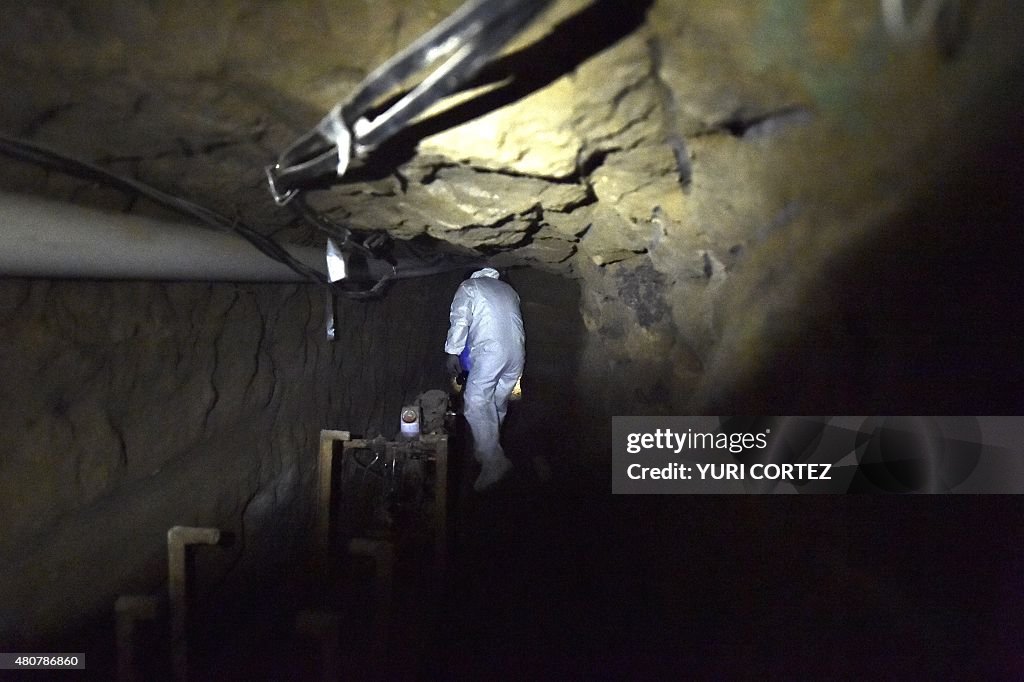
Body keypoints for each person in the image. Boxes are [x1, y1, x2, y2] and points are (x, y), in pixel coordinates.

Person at [445, 268, 525, 491]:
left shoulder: (469, 287)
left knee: (476, 401)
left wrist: (453, 351)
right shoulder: (509, 290)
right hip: (517, 354)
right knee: (497, 404)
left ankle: (493, 462)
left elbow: (460, 319)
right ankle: (487, 453)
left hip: (492, 352)